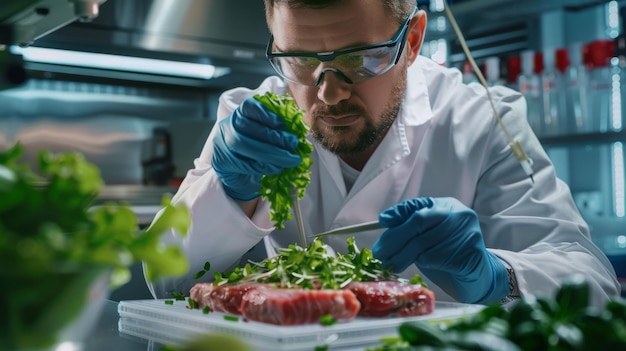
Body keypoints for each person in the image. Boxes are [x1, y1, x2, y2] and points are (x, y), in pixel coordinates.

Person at [146, 0, 620, 307]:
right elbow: (164, 282)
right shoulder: (252, 117)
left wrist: (499, 275)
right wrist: (225, 194)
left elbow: (593, 282)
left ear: (412, 41)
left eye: (359, 59)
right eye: (300, 61)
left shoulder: (481, 120)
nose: (327, 94)